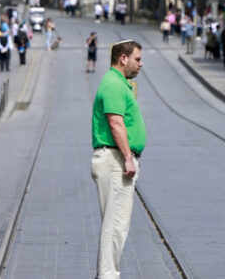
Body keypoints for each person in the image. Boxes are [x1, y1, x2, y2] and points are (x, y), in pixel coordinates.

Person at [91, 40, 146, 279]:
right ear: (123, 58)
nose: (140, 64)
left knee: (117, 225)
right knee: (115, 225)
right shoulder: (113, 84)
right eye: (137, 59)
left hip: (116, 160)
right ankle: (107, 275)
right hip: (115, 160)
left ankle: (107, 274)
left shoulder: (118, 83)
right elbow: (115, 123)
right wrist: (128, 158)